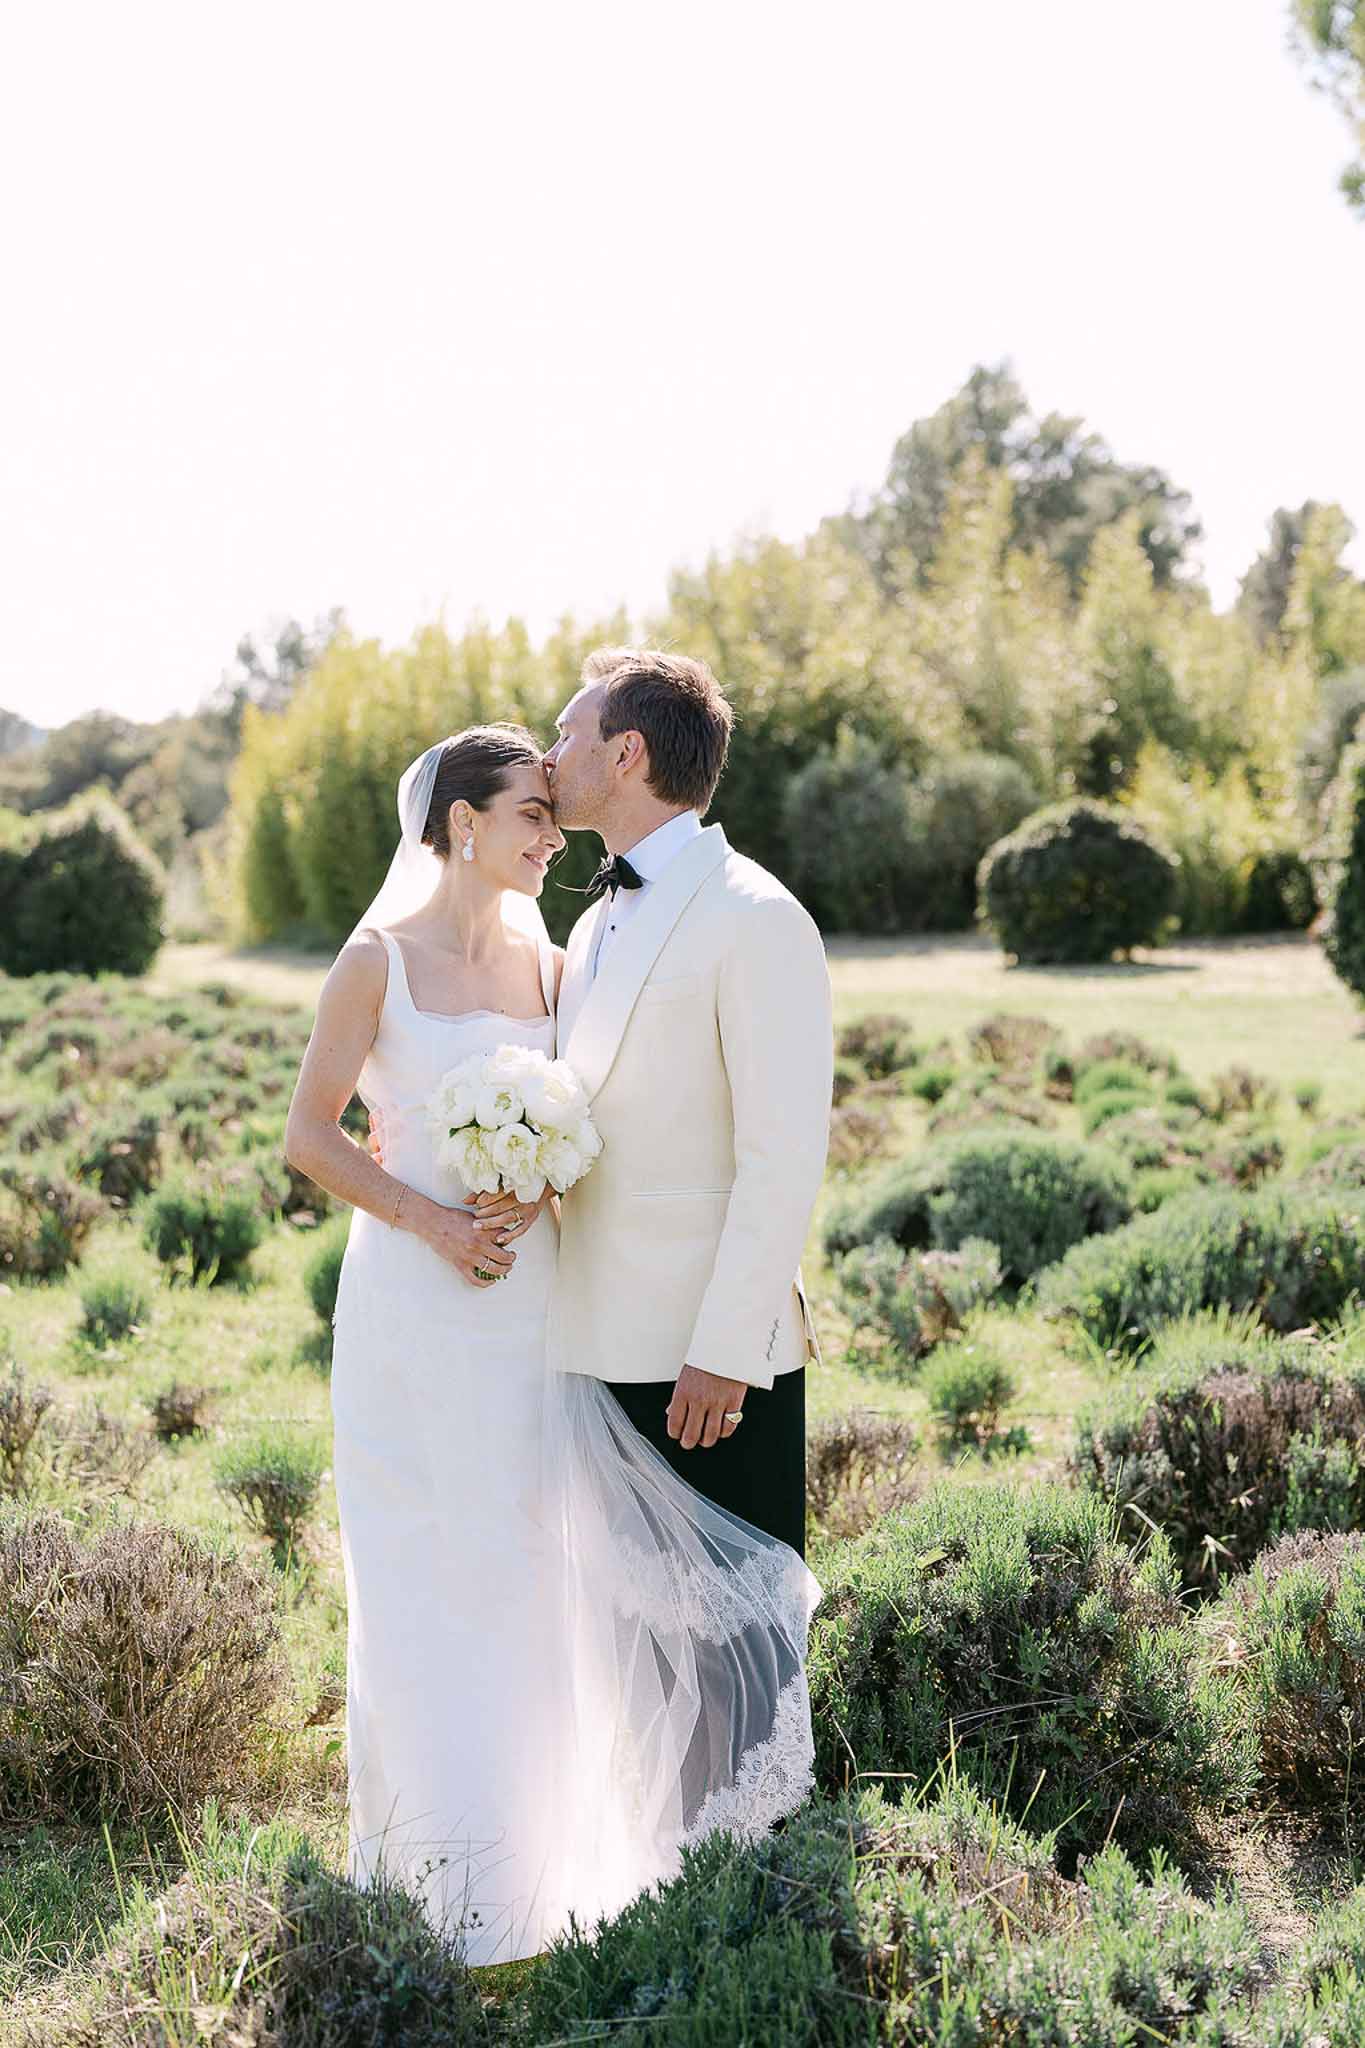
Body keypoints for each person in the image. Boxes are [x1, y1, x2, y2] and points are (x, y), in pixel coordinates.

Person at [284, 710, 824, 1969]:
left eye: (554, 799)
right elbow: (310, 1137)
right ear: (462, 822)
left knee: (539, 1573)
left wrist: (539, 1185)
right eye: (530, 811)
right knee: (427, 1567)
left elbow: (601, 1114)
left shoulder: (557, 955)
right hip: (415, 1311)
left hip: (535, 1309)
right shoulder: (373, 960)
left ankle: (546, 1874)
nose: (550, 829)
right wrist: (431, 1218)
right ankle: (430, 1877)